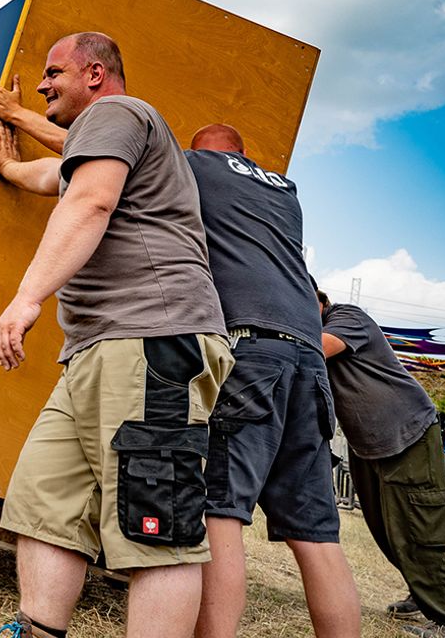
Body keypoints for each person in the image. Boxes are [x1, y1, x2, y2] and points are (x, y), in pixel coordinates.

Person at [0, 32, 233, 638]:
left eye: (53, 72)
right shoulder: (96, 141)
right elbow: (55, 177)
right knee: (46, 504)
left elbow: (89, 201)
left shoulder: (119, 112)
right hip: (98, 349)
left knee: (156, 525)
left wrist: (27, 296)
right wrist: (6, 165)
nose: (42, 84)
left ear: (95, 74)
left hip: (154, 340)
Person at [182, 124, 360, 637]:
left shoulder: (201, 168)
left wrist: (15, 116)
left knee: (221, 511)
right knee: (317, 536)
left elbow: (110, 149)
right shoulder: (284, 190)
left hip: (255, 352)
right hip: (309, 361)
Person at [319, 290, 445, 638]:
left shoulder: (347, 317)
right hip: (370, 445)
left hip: (408, 435)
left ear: (318, 299)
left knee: (417, 530)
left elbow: (317, 349)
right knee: (387, 531)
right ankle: (423, 596)